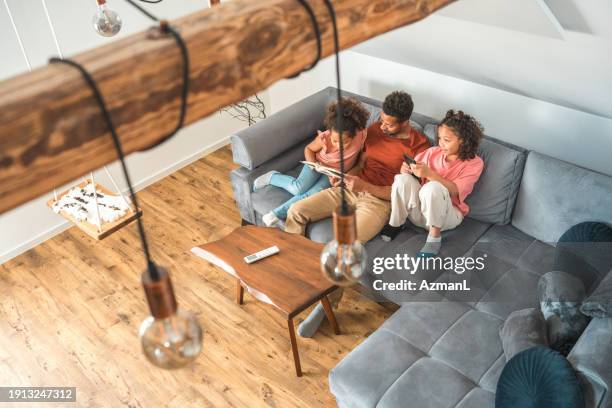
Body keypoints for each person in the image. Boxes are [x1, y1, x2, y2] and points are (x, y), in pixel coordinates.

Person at [284, 91, 431, 337]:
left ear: (405, 121)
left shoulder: (419, 147)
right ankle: (296, 273)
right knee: (297, 210)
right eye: (382, 119)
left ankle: (325, 306)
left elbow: (404, 194)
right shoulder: (374, 129)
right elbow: (362, 161)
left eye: (389, 123)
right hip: (352, 188)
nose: (381, 126)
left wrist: (367, 188)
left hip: (379, 202)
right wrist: (345, 176)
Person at [380, 110, 485, 257]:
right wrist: (406, 170)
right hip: (420, 212)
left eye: (446, 140)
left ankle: (434, 237)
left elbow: (455, 190)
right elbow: (412, 176)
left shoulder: (474, 163)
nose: (441, 143)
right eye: (440, 138)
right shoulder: (433, 152)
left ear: (463, 140)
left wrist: (430, 174)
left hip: (447, 216)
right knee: (402, 179)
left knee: (433, 187)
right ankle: (396, 223)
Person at [253, 97, 370, 226]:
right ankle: (272, 177)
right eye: (335, 141)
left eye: (345, 142)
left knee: (313, 194)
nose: (338, 146)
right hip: (317, 164)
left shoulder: (361, 135)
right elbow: (309, 149)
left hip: (333, 174)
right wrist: (314, 165)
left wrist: (343, 177)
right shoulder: (324, 138)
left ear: (355, 134)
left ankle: (276, 213)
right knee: (298, 189)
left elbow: (360, 158)